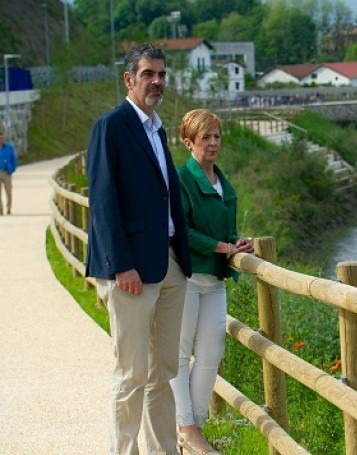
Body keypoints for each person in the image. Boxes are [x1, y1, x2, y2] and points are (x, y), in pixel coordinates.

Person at [85, 43, 192, 455]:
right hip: (131, 271)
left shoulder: (157, 129)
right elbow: (104, 200)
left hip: (169, 264)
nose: (156, 81)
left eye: (161, 74)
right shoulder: (111, 127)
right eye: (148, 74)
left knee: (162, 371)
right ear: (129, 80)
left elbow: (166, 197)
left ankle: (162, 450)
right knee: (131, 372)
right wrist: (120, 265)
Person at [172, 109, 253, 455]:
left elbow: (224, 231)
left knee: (211, 353)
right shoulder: (181, 179)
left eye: (217, 136)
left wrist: (237, 243)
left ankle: (194, 427)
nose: (213, 143)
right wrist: (220, 246)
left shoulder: (223, 183)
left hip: (215, 278)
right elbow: (180, 230)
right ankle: (188, 430)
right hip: (186, 276)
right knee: (178, 354)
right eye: (205, 137)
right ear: (188, 142)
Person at [0, 128, 17, 215]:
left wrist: (12, 169)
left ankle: (8, 208)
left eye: (2, 138)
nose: (1, 140)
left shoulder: (9, 148)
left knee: (8, 191)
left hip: (7, 172)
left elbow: (14, 159)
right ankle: (0, 210)